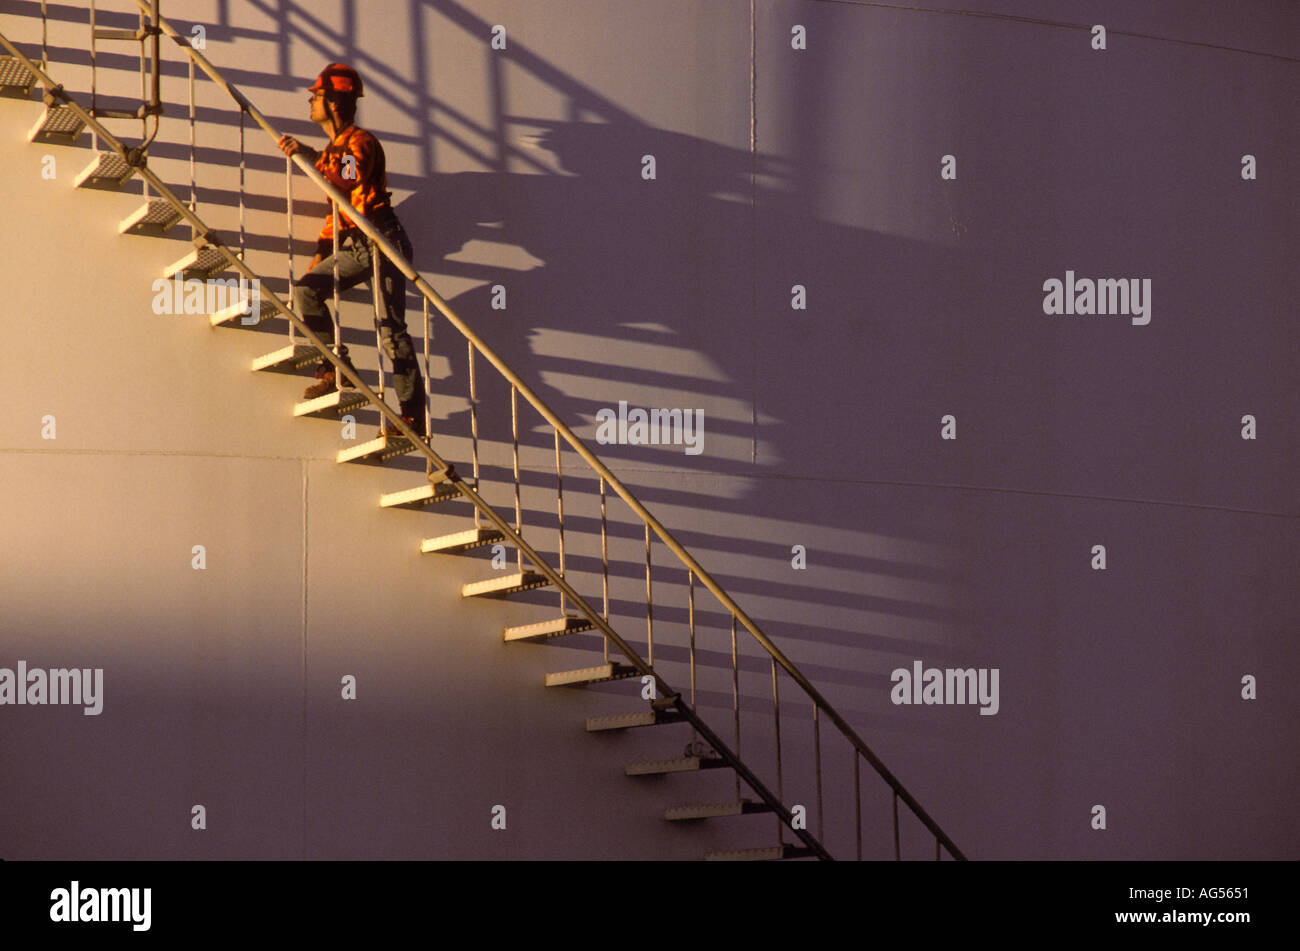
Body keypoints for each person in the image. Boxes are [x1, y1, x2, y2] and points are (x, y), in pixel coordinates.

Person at [277, 63, 426, 439]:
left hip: (383, 236)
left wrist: (307, 155)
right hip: (361, 239)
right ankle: (333, 368)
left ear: (335, 102)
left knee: (392, 331)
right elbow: (339, 208)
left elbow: (345, 179)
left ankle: (411, 417)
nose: (310, 101)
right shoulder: (334, 148)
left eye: (317, 95)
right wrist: (321, 251)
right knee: (308, 288)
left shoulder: (359, 142)